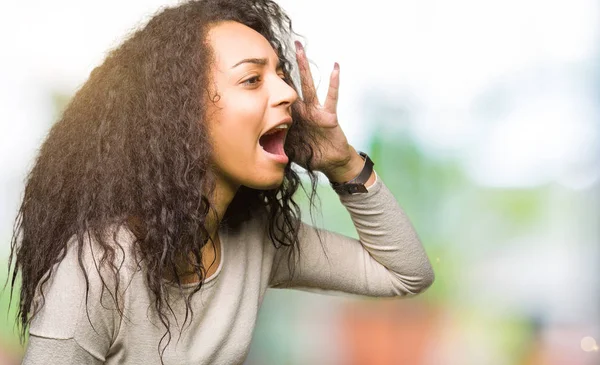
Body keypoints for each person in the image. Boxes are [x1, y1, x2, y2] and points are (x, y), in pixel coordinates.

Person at [7, 0, 435, 364]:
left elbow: (404, 274)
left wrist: (344, 165)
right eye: (252, 79)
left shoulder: (258, 240)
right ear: (183, 115)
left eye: (280, 74)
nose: (287, 93)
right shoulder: (96, 266)